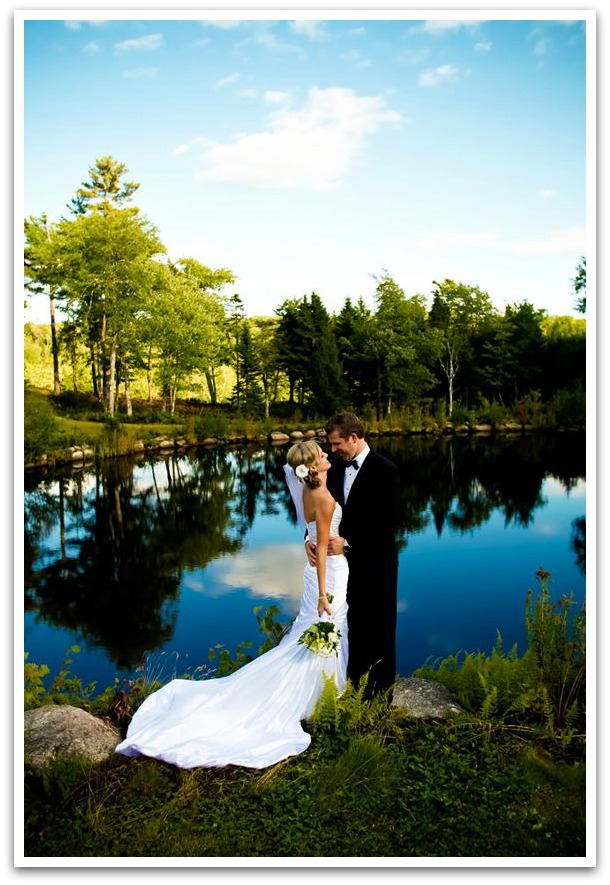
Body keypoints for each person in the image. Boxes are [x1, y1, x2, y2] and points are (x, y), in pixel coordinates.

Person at [115, 440, 349, 770]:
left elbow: (311, 537)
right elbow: (322, 550)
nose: (327, 456)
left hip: (313, 573)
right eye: (322, 455)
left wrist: (311, 547)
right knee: (322, 628)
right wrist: (324, 593)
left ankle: (321, 688)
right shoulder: (322, 497)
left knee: (309, 631)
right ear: (313, 466)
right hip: (327, 576)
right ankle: (314, 693)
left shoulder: (310, 493)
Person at [307, 412, 400, 700]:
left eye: (336, 444)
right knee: (348, 625)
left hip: (376, 562)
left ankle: (380, 694)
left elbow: (389, 522)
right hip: (338, 567)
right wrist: (308, 541)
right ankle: (351, 687)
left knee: (379, 625)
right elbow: (316, 510)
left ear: (354, 438)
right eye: (330, 446)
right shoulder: (331, 467)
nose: (332, 450)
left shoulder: (386, 470)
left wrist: (348, 545)